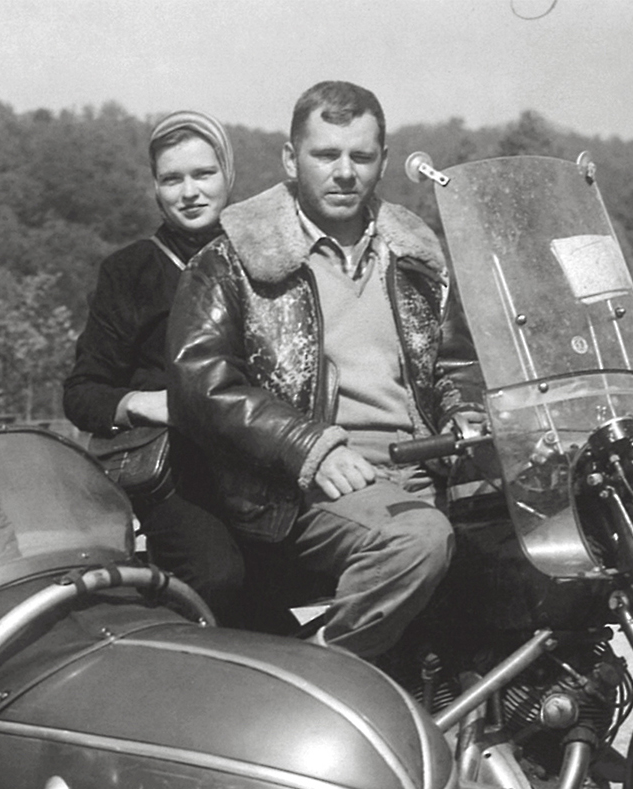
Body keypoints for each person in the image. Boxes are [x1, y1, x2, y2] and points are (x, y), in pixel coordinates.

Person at [168, 80, 481, 661]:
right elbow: (202, 381)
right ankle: (316, 688)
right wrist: (310, 447)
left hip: (425, 469)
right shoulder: (232, 258)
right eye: (326, 155)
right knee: (417, 540)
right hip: (301, 487)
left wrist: (467, 415)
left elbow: (456, 363)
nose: (344, 172)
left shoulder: (415, 255)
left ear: (382, 162)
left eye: (360, 157)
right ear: (291, 159)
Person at [62, 110, 247, 623]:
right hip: (179, 473)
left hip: (261, 463)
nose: (189, 191)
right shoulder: (129, 272)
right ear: (156, 189)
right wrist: (145, 403)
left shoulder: (262, 257)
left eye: (203, 174)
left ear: (228, 176)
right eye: (172, 179)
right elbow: (82, 393)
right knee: (220, 579)